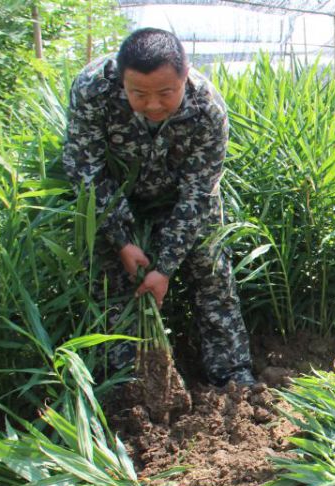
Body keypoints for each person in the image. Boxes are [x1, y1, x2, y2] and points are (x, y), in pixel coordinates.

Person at [63, 27, 258, 388]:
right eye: (138, 94)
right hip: (116, 196)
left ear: (185, 76)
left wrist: (165, 266)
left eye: (166, 93)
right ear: (122, 81)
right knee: (111, 282)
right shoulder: (93, 88)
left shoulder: (207, 107)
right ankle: (129, 385)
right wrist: (122, 240)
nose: (153, 105)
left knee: (211, 273)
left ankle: (232, 376)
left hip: (181, 199)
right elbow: (84, 168)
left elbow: (199, 192)